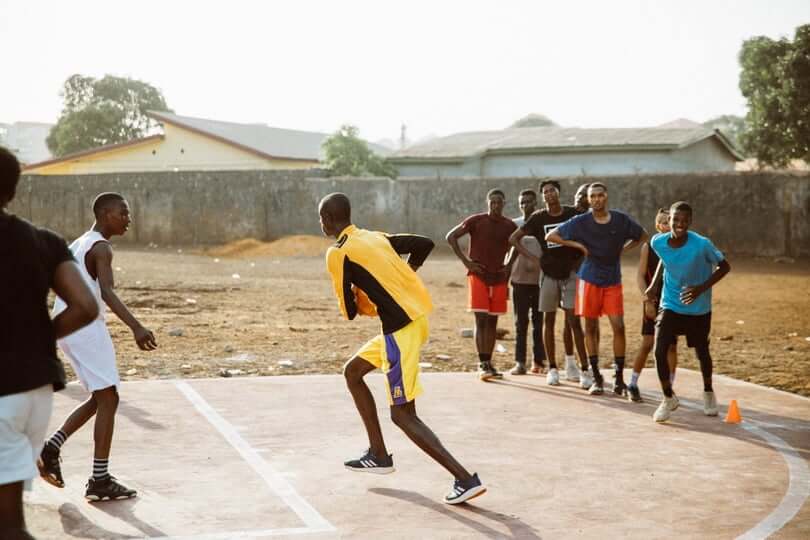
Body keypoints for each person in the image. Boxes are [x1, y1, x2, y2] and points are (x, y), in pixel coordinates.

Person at [320, 193, 486, 504]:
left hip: (400, 331)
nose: (321, 224)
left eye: (321, 218)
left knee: (402, 414)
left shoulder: (338, 252)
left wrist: (363, 293)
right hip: (415, 319)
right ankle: (378, 454)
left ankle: (465, 479)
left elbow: (349, 310)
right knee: (353, 372)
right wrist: (406, 274)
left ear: (328, 219)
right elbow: (423, 243)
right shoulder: (374, 237)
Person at [0, 146, 98, 539]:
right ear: (13, 190)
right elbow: (85, 306)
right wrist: (39, 337)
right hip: (35, 389)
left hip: (3, 394)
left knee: (9, 526)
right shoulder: (44, 241)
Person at [38, 192, 157, 502]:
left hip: (67, 325)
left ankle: (51, 448)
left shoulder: (81, 242)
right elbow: (105, 291)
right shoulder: (101, 248)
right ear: (106, 214)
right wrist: (136, 326)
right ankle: (99, 478)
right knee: (109, 397)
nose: (128, 218)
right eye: (123, 212)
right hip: (85, 327)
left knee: (102, 396)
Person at [546, 183, 647, 395]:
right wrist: (580, 247)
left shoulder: (620, 219)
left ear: (606, 196)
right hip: (589, 279)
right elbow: (552, 236)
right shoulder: (580, 222)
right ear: (589, 200)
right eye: (593, 196)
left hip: (612, 280)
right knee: (590, 328)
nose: (597, 199)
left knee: (618, 326)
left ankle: (619, 378)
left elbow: (642, 235)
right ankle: (596, 377)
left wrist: (623, 249)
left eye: (600, 195)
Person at [646, 201, 731, 422]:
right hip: (671, 304)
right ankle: (668, 398)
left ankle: (708, 392)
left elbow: (725, 267)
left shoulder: (702, 244)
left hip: (698, 308)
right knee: (659, 350)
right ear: (669, 221)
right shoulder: (658, 242)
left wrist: (700, 289)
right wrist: (654, 286)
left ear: (690, 222)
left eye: (684, 221)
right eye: (675, 220)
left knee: (702, 352)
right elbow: (665, 261)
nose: (679, 224)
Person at [509, 180, 590, 388]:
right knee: (549, 321)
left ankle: (584, 370)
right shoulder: (538, 218)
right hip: (548, 275)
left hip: (570, 273)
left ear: (558, 193)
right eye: (545, 192)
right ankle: (553, 368)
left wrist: (579, 260)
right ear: (543, 197)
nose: (548, 194)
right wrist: (534, 259)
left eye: (552, 190)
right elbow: (514, 239)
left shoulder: (571, 214)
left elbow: (587, 237)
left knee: (574, 322)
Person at [447, 189, 517, 381]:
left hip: (499, 277)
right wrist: (467, 262)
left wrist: (509, 265)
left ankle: (489, 362)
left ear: (504, 204)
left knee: (493, 321)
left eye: (499, 202)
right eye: (492, 202)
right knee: (481, 319)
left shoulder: (509, 225)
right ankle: (482, 362)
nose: (495, 205)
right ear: (488, 203)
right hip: (478, 275)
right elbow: (451, 237)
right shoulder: (476, 221)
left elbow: (518, 244)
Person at [628, 208, 678, 403]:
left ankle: (670, 389)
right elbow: (640, 276)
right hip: (653, 301)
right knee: (648, 343)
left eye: (670, 221)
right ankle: (632, 383)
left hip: (672, 303)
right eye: (664, 222)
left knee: (672, 346)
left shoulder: (678, 246)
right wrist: (647, 299)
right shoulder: (649, 247)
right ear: (658, 226)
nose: (668, 225)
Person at [508, 189, 546, 375]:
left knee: (539, 323)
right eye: (522, 203)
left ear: (536, 203)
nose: (525, 206)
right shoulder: (514, 224)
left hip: (540, 281)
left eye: (529, 202)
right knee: (520, 323)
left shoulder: (542, 221)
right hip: (519, 281)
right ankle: (519, 362)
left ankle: (538, 361)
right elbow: (508, 251)